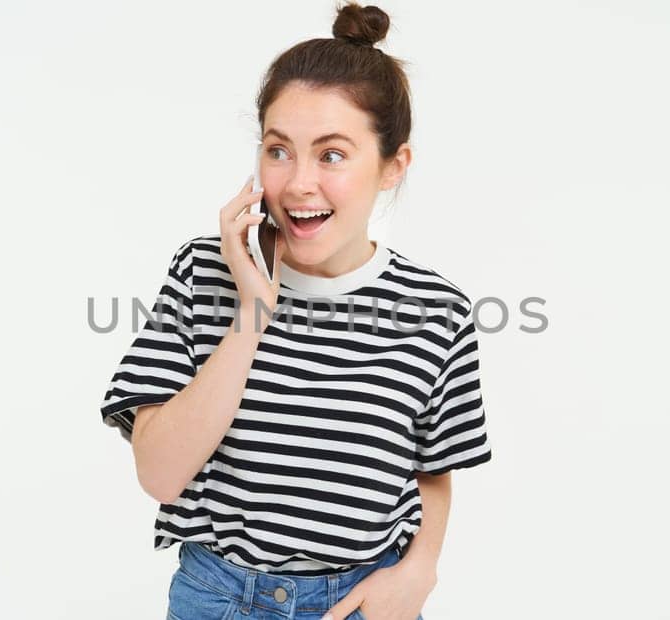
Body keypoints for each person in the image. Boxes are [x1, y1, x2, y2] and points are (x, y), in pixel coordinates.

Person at [100, 4, 491, 618]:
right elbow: (159, 474)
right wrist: (252, 310)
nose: (299, 182)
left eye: (332, 155)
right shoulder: (203, 273)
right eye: (279, 151)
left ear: (393, 165)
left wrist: (420, 570)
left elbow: (435, 465)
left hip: (360, 601)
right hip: (220, 597)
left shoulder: (437, 312)